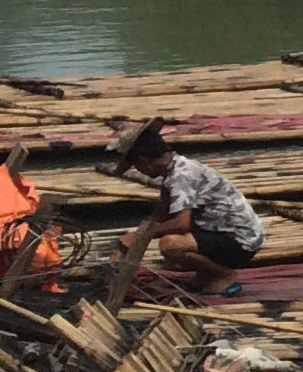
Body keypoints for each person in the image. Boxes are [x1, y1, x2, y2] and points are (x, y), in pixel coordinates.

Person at [106, 121, 265, 294]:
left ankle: (223, 275)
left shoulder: (182, 176)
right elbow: (160, 215)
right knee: (170, 236)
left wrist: (140, 235)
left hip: (239, 241)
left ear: (144, 162)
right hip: (217, 230)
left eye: (137, 166)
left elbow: (182, 224)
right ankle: (206, 275)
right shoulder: (173, 172)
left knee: (171, 245)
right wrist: (131, 242)